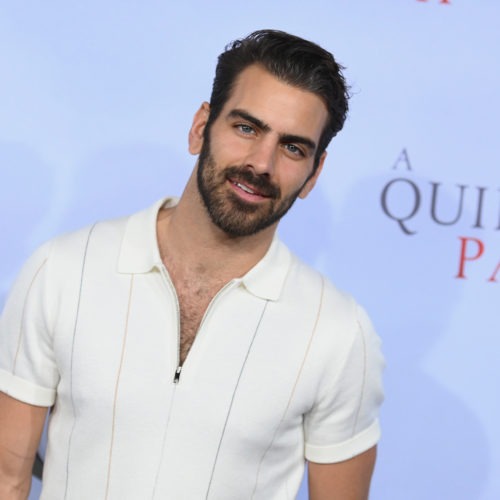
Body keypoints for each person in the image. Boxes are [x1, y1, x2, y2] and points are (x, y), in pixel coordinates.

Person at [0, 30, 384, 499]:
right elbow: (7, 477)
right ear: (201, 127)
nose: (262, 163)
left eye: (292, 147)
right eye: (247, 128)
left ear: (313, 173)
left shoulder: (339, 332)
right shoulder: (63, 270)